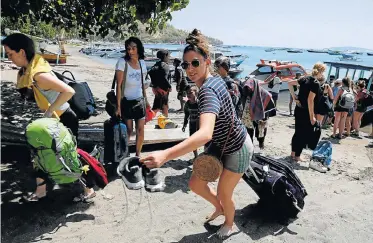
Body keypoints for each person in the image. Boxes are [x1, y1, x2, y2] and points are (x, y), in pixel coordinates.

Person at [140, 29, 254, 238]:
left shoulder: (208, 90)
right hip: (221, 144)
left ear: (207, 61)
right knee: (195, 184)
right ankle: (220, 208)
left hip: (238, 147)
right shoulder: (213, 81)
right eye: (185, 64)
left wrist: (165, 155)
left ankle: (230, 223)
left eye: (195, 63)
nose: (190, 69)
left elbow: (204, 134)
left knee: (224, 192)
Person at [2, 33, 93, 201]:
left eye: (10, 54)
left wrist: (50, 111)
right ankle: (41, 190)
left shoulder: (38, 75)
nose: (9, 58)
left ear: (21, 52)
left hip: (65, 119)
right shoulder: (28, 71)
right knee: (38, 154)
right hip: (51, 121)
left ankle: (87, 189)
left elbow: (69, 91)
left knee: (68, 158)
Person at [115, 37, 149, 156]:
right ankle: (125, 154)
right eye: (128, 49)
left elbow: (142, 83)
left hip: (139, 101)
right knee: (128, 131)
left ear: (138, 48)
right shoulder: (122, 62)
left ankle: (138, 155)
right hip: (127, 102)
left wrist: (146, 101)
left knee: (140, 130)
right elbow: (118, 86)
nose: (130, 51)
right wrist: (118, 106)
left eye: (133, 48)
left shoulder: (142, 63)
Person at [288, 63, 325, 162]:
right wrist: (312, 116)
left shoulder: (304, 79)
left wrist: (294, 97)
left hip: (298, 109)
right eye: (323, 72)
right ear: (320, 71)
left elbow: (290, 83)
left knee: (297, 132)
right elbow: (310, 100)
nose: (323, 74)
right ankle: (297, 156)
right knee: (303, 134)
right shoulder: (315, 83)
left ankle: (293, 153)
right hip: (306, 112)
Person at [149, 49, 172, 117]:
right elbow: (164, 78)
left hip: (157, 88)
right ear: (165, 56)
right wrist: (169, 86)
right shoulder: (165, 65)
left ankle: (165, 119)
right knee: (161, 106)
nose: (169, 58)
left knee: (160, 105)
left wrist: (154, 86)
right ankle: (145, 120)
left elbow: (151, 74)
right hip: (163, 89)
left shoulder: (156, 65)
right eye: (168, 56)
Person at [182, 85, 199, 158]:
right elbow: (186, 115)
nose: (188, 95)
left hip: (201, 125)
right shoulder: (187, 104)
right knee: (192, 142)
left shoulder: (200, 103)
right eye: (187, 93)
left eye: (190, 93)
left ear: (196, 93)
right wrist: (184, 124)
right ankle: (196, 156)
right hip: (192, 125)